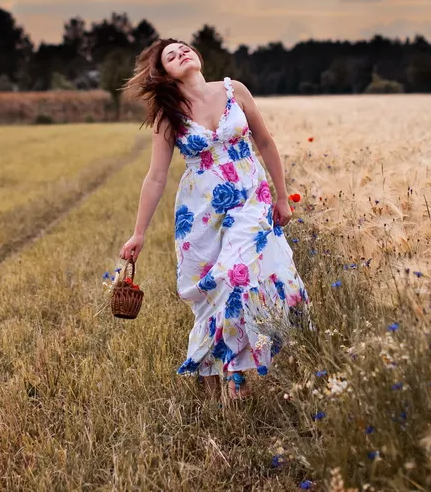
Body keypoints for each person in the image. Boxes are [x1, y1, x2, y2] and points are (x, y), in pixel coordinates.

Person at [118, 38, 309, 404]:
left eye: (184, 48)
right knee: (210, 293)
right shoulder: (168, 113)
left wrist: (282, 195)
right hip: (200, 212)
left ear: (197, 55)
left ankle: (236, 376)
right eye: (171, 56)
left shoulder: (233, 90)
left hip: (250, 199)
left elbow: (265, 142)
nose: (181, 54)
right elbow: (156, 176)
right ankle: (213, 368)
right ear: (165, 74)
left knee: (234, 275)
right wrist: (139, 232)